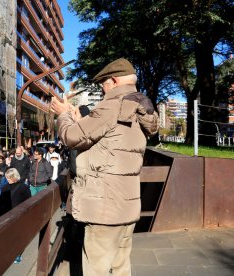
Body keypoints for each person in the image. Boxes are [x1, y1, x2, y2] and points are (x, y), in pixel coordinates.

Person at [51, 58, 159, 275]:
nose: (102, 89)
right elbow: (111, 140)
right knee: (120, 268)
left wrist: (62, 114)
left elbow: (72, 137)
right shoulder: (138, 107)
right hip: (126, 207)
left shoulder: (112, 105)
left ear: (114, 80)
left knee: (96, 270)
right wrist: (82, 120)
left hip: (104, 209)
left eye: (104, 84)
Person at [0, 168, 31, 264]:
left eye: (9, 177)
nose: (7, 179)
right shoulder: (5, 187)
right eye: (7, 177)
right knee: (8, 236)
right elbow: (1, 202)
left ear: (14, 177)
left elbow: (29, 201)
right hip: (7, 216)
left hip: (19, 216)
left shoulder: (23, 187)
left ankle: (17, 254)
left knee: (17, 236)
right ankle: (9, 252)